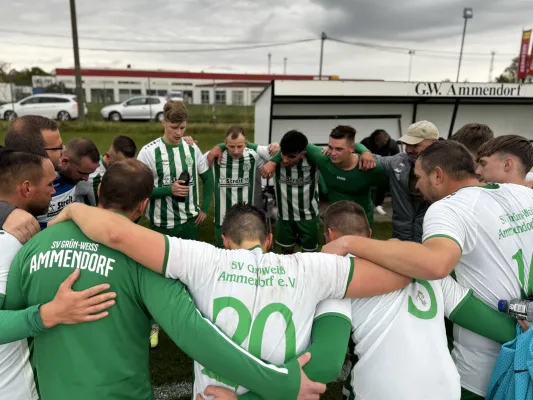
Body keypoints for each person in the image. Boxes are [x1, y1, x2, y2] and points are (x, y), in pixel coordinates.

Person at [4, 159, 325, 400]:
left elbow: (10, 322)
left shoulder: (34, 245)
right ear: (144, 204)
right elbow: (193, 333)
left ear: (100, 191)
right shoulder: (144, 256)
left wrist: (43, 316)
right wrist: (278, 382)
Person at [48, 196, 420, 398]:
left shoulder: (202, 258)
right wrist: (354, 242)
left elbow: (115, 234)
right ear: (270, 240)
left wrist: (75, 207)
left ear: (223, 240)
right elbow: (403, 272)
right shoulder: (312, 268)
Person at [321, 141, 533, 400]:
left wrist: (348, 242)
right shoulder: (520, 193)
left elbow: (435, 264)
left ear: (438, 175)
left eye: (418, 177)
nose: (417, 186)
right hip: (523, 349)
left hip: (481, 369)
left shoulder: (448, 208)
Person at [0, 149, 116, 399]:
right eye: (50, 184)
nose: (55, 191)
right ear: (27, 188)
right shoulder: (7, 244)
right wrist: (49, 314)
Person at [137, 100, 213, 347]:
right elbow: (140, 188)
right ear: (164, 123)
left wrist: (204, 207)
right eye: (174, 127)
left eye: (182, 127)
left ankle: (193, 322)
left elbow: (208, 179)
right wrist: (167, 190)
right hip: (160, 225)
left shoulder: (191, 149)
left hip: (189, 224)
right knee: (158, 278)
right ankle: (154, 325)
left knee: (193, 275)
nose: (179, 133)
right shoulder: (149, 152)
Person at [263, 126, 385, 228]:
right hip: (335, 223)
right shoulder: (323, 159)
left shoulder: (370, 167)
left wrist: (365, 151)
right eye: (330, 147)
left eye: (339, 149)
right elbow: (295, 142)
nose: (332, 153)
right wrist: (273, 161)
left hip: (361, 225)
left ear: (351, 149)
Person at [202, 126, 270, 247]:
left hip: (246, 219)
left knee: (244, 256)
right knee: (223, 255)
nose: (236, 151)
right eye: (231, 146)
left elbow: (272, 160)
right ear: (225, 144)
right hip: (221, 218)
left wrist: (274, 147)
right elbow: (194, 163)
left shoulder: (253, 156)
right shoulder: (214, 155)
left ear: (246, 143)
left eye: (240, 146)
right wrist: (187, 141)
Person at [36, 138, 99, 229]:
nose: (86, 179)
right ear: (65, 162)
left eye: (89, 173)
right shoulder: (38, 179)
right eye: (82, 173)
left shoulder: (79, 182)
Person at [85, 135, 137, 206]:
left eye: (129, 163)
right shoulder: (96, 179)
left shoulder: (116, 170)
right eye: (121, 164)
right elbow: (100, 211)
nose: (126, 168)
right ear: (108, 156)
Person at [361, 129, 400, 215]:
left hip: (382, 169)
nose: (379, 147)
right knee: (364, 185)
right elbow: (358, 153)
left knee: (383, 184)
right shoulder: (366, 142)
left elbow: (397, 160)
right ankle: (364, 204)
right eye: (377, 145)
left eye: (381, 145)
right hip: (366, 168)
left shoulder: (393, 145)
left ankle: (378, 204)